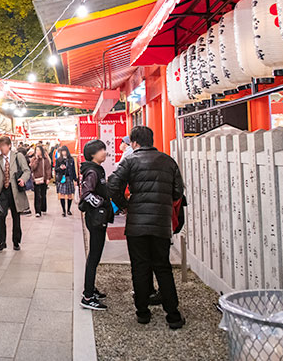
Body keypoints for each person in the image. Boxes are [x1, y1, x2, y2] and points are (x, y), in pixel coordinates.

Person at [108, 125, 185, 329]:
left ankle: (143, 313)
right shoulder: (168, 161)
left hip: (136, 225)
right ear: (151, 140)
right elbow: (178, 191)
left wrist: (126, 205)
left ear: (134, 142)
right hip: (160, 224)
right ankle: (173, 315)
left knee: (140, 267)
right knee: (163, 267)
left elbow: (112, 186)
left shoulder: (129, 161)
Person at [79, 139, 112, 310]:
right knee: (94, 256)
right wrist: (101, 206)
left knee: (95, 255)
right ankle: (88, 296)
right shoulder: (93, 171)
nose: (104, 152)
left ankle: (91, 289)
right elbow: (86, 194)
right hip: (96, 219)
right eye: (101, 150)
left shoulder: (96, 170)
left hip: (96, 218)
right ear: (92, 154)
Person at [0, 136, 31, 251]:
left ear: (9, 145)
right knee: (1, 217)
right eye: (0, 146)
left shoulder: (17, 156)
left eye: (4, 145)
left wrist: (23, 179)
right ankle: (2, 241)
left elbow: (26, 170)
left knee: (16, 216)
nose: (2, 148)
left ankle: (16, 241)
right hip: (2, 191)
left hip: (15, 190)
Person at [29, 145, 51, 217]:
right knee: (37, 195)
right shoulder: (33, 159)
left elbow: (48, 169)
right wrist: (37, 160)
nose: (38, 152)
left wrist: (48, 178)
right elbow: (32, 168)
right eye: (37, 150)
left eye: (39, 150)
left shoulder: (46, 160)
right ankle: (37, 211)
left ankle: (43, 208)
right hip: (36, 179)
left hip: (44, 179)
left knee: (43, 194)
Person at [54, 146, 77, 216]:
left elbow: (73, 170)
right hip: (62, 178)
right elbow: (56, 169)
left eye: (65, 151)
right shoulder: (58, 160)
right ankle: (63, 211)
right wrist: (60, 168)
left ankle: (69, 210)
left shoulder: (71, 159)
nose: (64, 152)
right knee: (62, 195)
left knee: (70, 195)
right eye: (62, 151)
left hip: (69, 178)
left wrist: (75, 179)